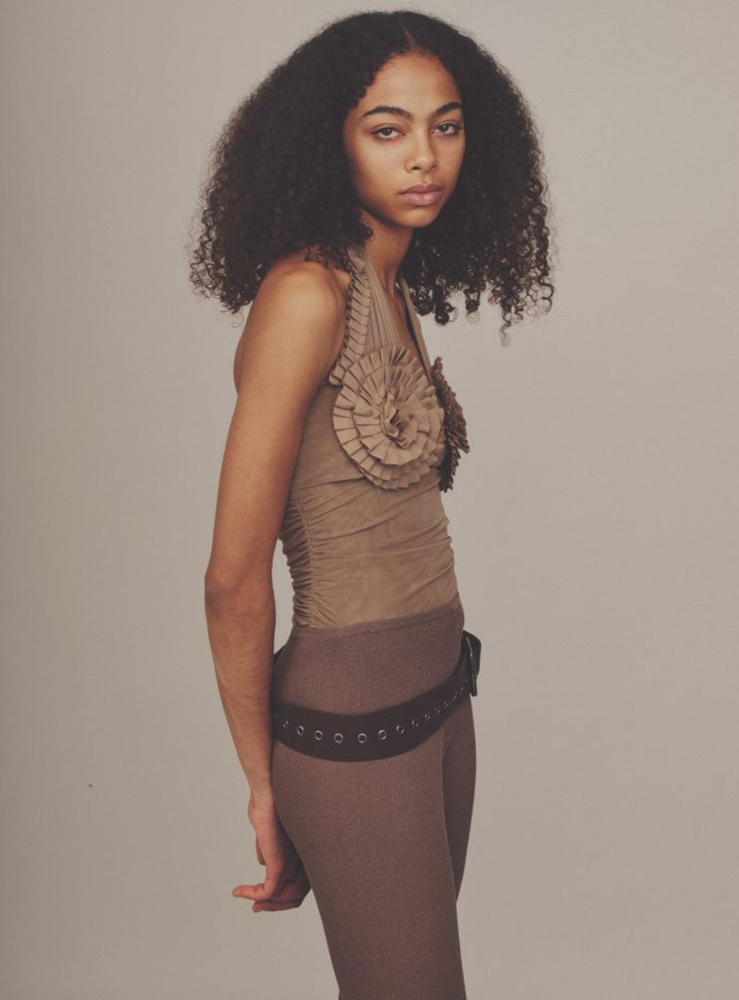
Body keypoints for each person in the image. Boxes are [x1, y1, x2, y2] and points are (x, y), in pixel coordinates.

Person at [191, 10, 554, 999]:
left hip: (441, 698)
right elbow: (231, 579)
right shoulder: (307, 296)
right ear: (331, 141)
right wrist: (264, 786)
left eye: (446, 125)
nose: (424, 155)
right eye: (387, 129)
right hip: (353, 729)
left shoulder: (388, 279)